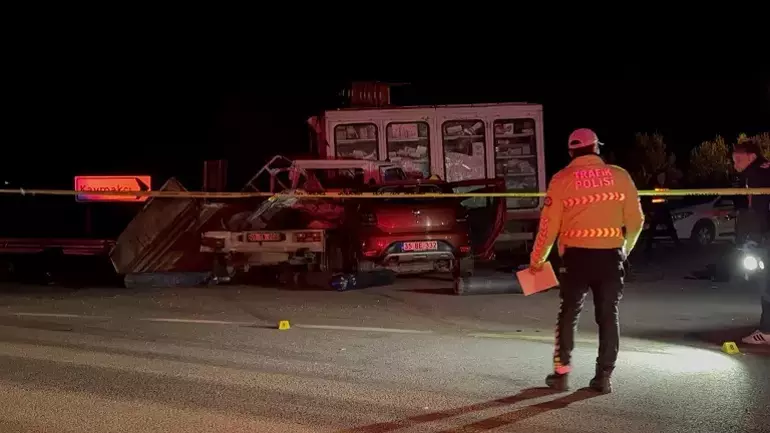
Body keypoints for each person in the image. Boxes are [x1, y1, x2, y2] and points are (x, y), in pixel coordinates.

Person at [529, 128, 644, 393]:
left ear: (571, 152)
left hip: (575, 259)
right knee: (608, 315)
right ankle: (603, 377)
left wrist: (537, 261)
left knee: (568, 314)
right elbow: (636, 222)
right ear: (596, 149)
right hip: (610, 257)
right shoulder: (620, 176)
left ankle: (561, 375)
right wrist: (624, 249)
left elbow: (548, 229)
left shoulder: (561, 179)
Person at [731, 138, 770, 345]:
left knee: (767, 281)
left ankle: (766, 331)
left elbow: (759, 209)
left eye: (738, 158)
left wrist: (754, 238)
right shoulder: (764, 168)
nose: (735, 163)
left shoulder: (756, 174)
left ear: (752, 157)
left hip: (767, 235)